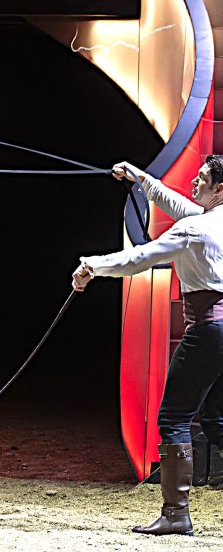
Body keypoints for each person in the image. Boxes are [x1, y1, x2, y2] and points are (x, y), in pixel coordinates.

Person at [71, 157, 223, 536]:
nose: (193, 182)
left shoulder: (194, 229)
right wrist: (141, 178)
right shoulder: (209, 219)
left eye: (202, 179)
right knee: (218, 420)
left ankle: (176, 514)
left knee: (173, 418)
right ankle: (176, 513)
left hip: (207, 331)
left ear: (219, 189)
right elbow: (176, 203)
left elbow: (139, 258)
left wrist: (93, 265)